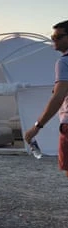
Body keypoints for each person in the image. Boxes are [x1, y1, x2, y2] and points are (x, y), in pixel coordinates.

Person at [25, 20, 68, 172]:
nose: (54, 40)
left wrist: (36, 127)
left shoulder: (64, 62)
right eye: (52, 37)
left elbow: (58, 97)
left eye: (58, 37)